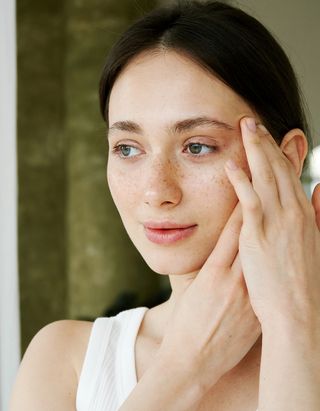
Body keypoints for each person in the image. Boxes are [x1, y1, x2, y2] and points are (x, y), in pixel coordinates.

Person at [10, 1, 320, 410]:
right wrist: (186, 367)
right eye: (127, 148)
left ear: (288, 158)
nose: (156, 191)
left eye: (197, 146)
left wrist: (291, 323)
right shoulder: (66, 361)